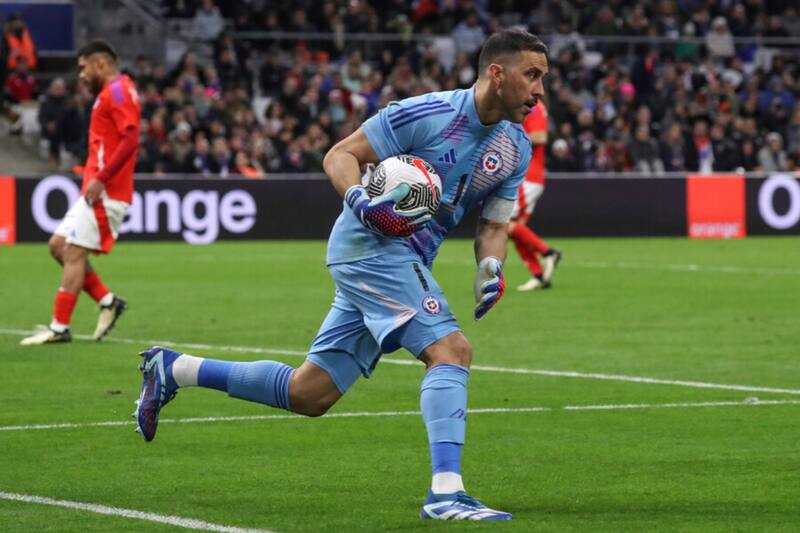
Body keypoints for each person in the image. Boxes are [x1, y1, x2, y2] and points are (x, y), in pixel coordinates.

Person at [134, 29, 547, 521]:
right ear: (496, 73)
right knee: (451, 350)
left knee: (310, 393)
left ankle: (175, 368)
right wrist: (361, 201)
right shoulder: (426, 113)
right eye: (532, 75)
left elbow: (495, 226)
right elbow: (340, 155)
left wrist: (490, 266)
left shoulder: (515, 146)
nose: (540, 90)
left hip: (405, 260)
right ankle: (446, 494)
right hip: (370, 247)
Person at [20, 40, 140, 345]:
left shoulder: (118, 92)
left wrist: (101, 178)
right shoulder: (111, 92)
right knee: (58, 245)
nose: (82, 75)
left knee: (73, 252)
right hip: (96, 189)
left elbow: (130, 139)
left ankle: (59, 327)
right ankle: (108, 301)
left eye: (84, 68)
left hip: (107, 192)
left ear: (101, 63)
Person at [507, 100, 562, 291]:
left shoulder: (534, 106)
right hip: (528, 176)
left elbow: (539, 136)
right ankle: (539, 276)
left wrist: (507, 144)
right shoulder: (526, 104)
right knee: (515, 229)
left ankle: (548, 252)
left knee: (502, 223)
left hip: (528, 177)